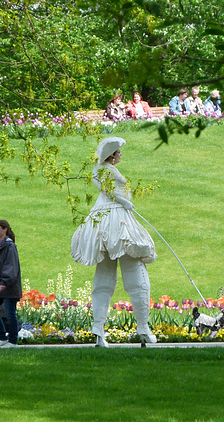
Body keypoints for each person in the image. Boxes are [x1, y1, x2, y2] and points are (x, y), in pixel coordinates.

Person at [71, 137, 157, 347]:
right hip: (115, 219)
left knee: (105, 274)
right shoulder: (105, 170)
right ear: (111, 155)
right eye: (118, 152)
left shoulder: (101, 169)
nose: (120, 155)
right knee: (134, 269)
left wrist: (124, 201)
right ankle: (142, 326)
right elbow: (108, 189)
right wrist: (123, 201)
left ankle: (99, 328)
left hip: (104, 219)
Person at [0, 220, 22, 348]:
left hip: (8, 286)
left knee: (9, 313)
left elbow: (11, 266)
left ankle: (13, 341)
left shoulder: (10, 246)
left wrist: (5, 281)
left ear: (5, 229)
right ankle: (2, 338)